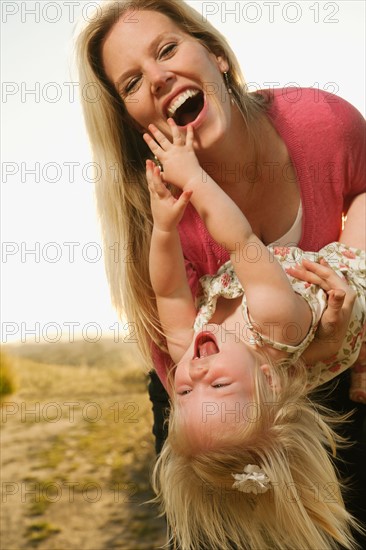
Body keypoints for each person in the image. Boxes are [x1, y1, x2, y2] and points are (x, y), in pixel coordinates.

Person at [75, 0, 366, 541]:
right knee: (222, 524)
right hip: (279, 368)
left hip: (325, 337)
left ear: (214, 54)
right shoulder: (258, 325)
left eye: (167, 50)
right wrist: (170, 216)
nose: (159, 78)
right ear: (132, 118)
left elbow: (186, 287)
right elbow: (227, 258)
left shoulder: (323, 124)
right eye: (133, 82)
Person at [144, 119, 365, 549]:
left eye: (185, 393)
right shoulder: (274, 321)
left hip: (314, 321)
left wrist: (164, 228)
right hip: (348, 280)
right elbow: (241, 240)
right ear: (266, 379)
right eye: (220, 385)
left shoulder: (187, 350)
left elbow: (169, 292)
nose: (197, 373)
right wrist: (193, 177)